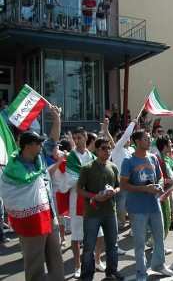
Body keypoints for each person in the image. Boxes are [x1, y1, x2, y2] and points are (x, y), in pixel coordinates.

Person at [0, 105, 65, 280]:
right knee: (34, 261)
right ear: (28, 146)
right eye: (38, 143)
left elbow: (53, 139)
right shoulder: (14, 169)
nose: (43, 145)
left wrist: (56, 118)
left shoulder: (40, 156)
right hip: (31, 221)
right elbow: (10, 195)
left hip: (49, 216)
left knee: (55, 255)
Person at [120, 130, 173, 280]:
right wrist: (144, 188)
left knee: (159, 236)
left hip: (154, 204)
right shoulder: (128, 161)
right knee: (140, 242)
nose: (150, 141)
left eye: (150, 138)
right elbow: (123, 185)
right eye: (146, 139)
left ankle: (159, 264)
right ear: (137, 142)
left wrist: (160, 185)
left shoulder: (153, 158)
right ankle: (141, 273)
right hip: (137, 207)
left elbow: (160, 177)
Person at [76, 137, 124, 280]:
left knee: (112, 244)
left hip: (110, 212)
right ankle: (87, 275)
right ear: (97, 150)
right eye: (104, 148)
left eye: (109, 148)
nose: (108, 151)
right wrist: (94, 196)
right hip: (92, 214)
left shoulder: (113, 167)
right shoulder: (87, 168)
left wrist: (114, 192)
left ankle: (112, 271)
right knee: (89, 247)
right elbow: (79, 189)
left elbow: (119, 186)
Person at [64, 127, 104, 278]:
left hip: (93, 198)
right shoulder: (71, 157)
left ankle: (98, 260)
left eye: (79, 138)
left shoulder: (92, 157)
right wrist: (89, 179)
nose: (76, 141)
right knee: (76, 234)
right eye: (74, 138)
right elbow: (71, 180)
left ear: (86, 138)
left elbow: (99, 175)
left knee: (99, 233)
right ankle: (77, 265)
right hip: (77, 199)